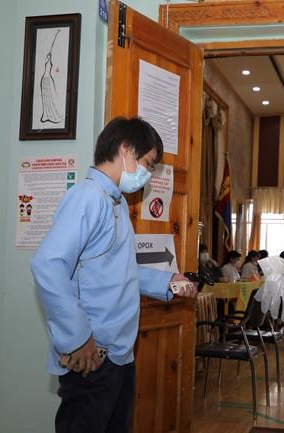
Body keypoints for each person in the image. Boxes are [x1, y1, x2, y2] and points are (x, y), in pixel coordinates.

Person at [30, 117, 197, 433]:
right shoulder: (88, 197)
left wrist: (167, 282)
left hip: (116, 354)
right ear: (126, 150)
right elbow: (48, 265)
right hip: (92, 353)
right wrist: (77, 339)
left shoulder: (115, 202)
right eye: (148, 164)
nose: (147, 175)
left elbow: (121, 270)